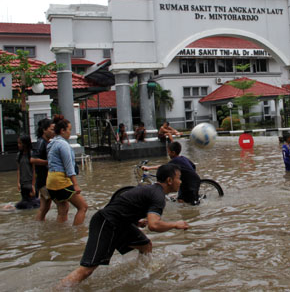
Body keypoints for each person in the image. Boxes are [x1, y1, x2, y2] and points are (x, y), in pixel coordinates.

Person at [58, 164, 189, 287]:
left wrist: (136, 221)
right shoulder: (158, 196)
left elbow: (123, 205)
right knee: (87, 270)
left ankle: (142, 273)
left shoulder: (151, 190)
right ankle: (58, 289)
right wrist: (175, 224)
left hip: (121, 223)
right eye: (179, 178)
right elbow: (153, 225)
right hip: (106, 222)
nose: (181, 182)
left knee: (145, 245)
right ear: (169, 180)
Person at [46, 115, 88, 225]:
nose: (70, 132)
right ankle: (78, 235)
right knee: (83, 207)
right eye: (69, 130)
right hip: (60, 180)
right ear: (62, 130)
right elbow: (68, 167)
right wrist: (75, 184)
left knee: (63, 209)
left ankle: (63, 236)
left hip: (51, 180)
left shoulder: (52, 143)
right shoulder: (63, 144)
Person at [31, 118, 55, 220]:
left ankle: (39, 225)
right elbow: (33, 159)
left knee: (44, 207)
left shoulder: (45, 142)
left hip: (43, 180)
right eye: (51, 129)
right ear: (44, 130)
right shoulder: (41, 143)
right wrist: (48, 162)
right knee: (62, 206)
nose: (54, 131)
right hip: (44, 180)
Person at [15, 135, 39, 210]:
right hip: (23, 184)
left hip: (31, 183)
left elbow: (35, 170)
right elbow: (18, 169)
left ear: (25, 144)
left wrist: (33, 185)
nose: (18, 145)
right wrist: (18, 182)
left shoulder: (32, 154)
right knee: (25, 204)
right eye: (18, 143)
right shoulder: (19, 155)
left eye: (20, 143)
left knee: (33, 205)